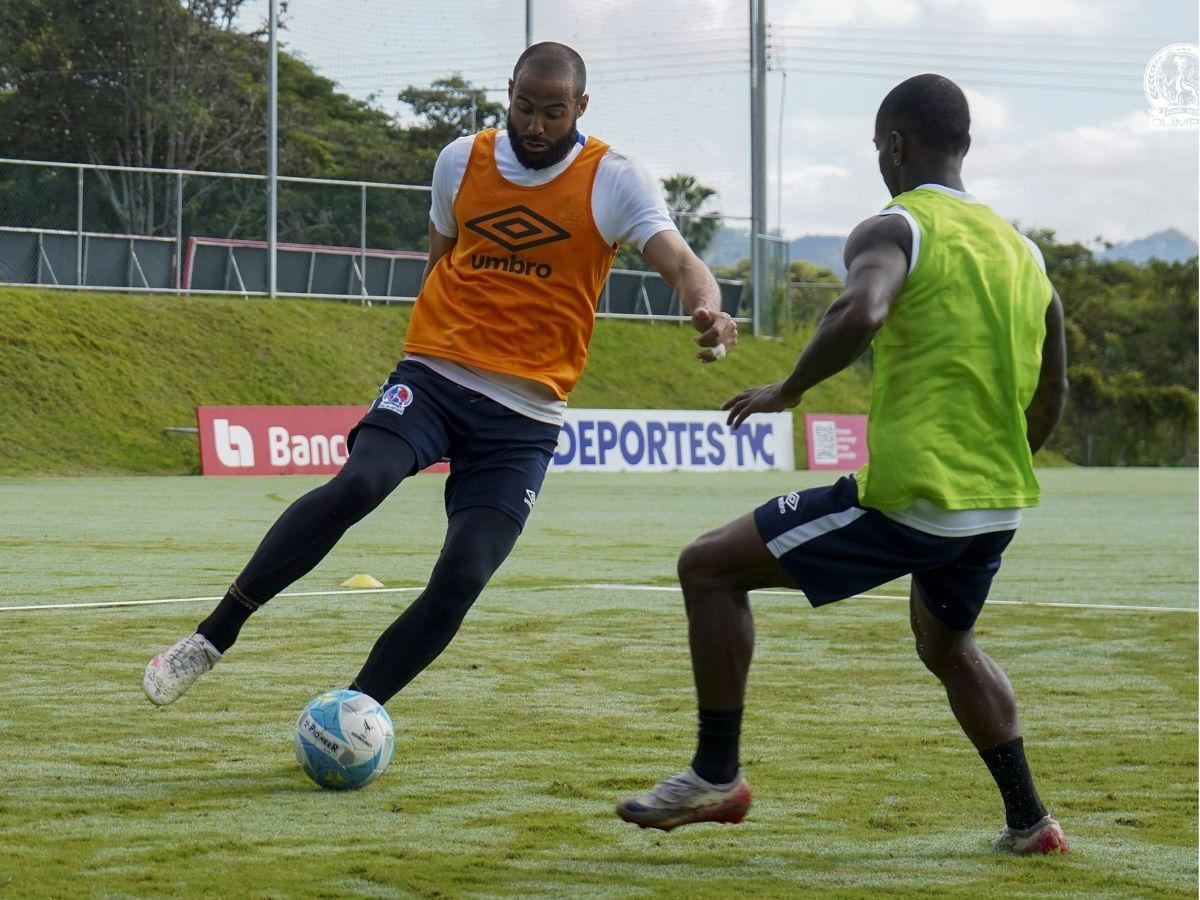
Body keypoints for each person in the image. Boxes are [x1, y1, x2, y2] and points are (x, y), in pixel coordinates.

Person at [143, 42, 738, 710]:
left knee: (464, 574)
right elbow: (441, 261)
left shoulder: (614, 179)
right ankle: (211, 637)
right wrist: (428, 346)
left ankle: (353, 713)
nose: (536, 125)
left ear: (581, 107)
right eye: (524, 107)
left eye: (553, 112)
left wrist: (709, 310)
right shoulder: (460, 160)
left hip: (525, 418)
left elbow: (682, 263)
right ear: (508, 91)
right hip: (433, 378)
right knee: (360, 483)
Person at [616, 74, 1070, 855]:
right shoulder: (1023, 252)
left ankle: (715, 775)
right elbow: (1054, 386)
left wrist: (789, 389)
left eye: (877, 148)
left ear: (895, 145)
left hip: (911, 499)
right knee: (948, 646)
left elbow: (861, 309)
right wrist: (1001, 462)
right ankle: (1030, 821)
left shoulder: (896, 227)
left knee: (708, 568)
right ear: (963, 146)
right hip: (996, 506)